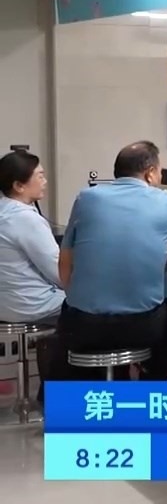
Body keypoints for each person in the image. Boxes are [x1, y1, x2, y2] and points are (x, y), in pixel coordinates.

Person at [49, 141, 167, 382]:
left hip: (83, 327)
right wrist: (163, 247)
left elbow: (65, 261)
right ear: (150, 172)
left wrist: (80, 301)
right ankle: (150, 389)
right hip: (141, 329)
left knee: (72, 327)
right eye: (160, 171)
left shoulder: (86, 198)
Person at [0, 150, 64, 401]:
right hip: (29, 305)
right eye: (39, 176)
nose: (44, 181)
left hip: (6, 303)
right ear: (18, 185)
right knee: (90, 310)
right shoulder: (26, 219)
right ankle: (54, 396)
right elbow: (59, 273)